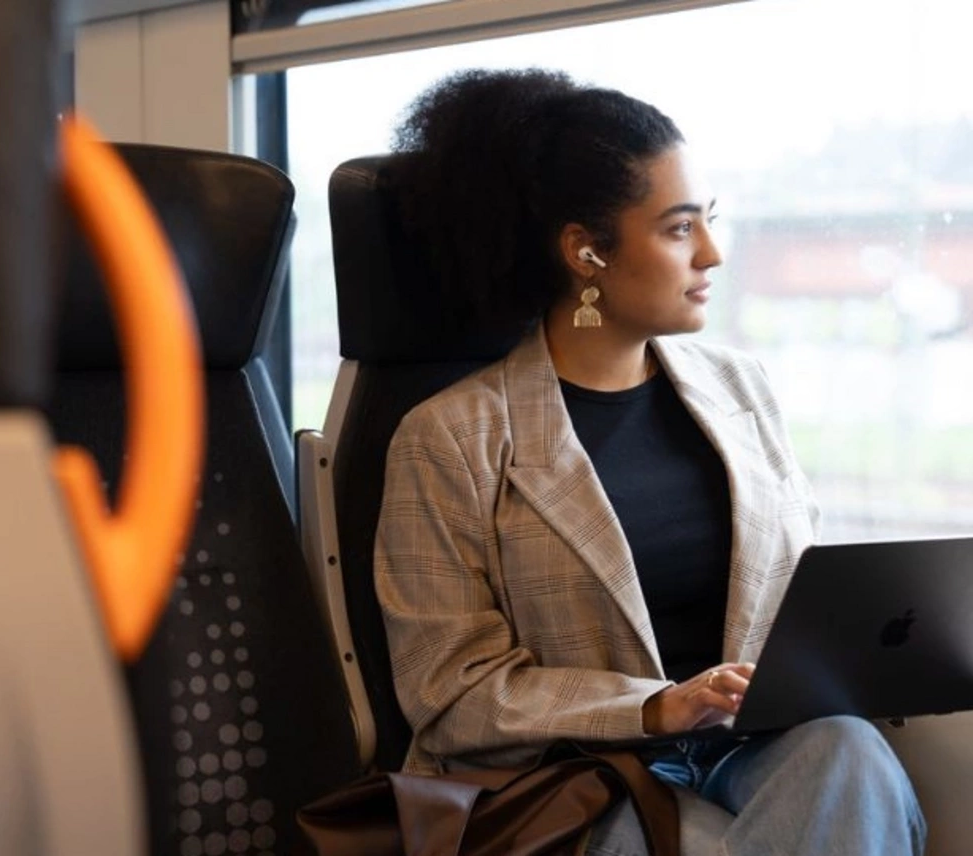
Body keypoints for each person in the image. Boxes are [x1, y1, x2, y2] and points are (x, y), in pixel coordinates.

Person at [374, 68, 926, 856]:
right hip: (577, 771)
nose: (713, 253)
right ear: (587, 252)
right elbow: (450, 694)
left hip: (746, 743)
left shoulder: (741, 388)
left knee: (851, 755)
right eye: (678, 229)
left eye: (710, 220)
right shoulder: (451, 439)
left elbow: (795, 589)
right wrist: (653, 707)